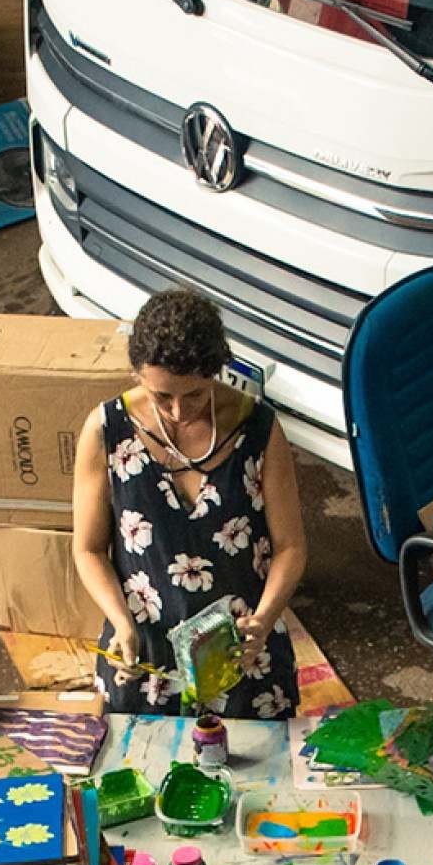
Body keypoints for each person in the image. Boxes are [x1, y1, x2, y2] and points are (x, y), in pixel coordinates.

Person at [71, 285, 308, 719]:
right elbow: (88, 549)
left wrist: (262, 621)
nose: (179, 412)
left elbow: (290, 547)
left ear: (216, 372)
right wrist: (121, 622)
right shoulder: (107, 430)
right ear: (137, 375)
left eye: (195, 394)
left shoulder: (258, 430)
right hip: (144, 651)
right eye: (162, 396)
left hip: (241, 653)